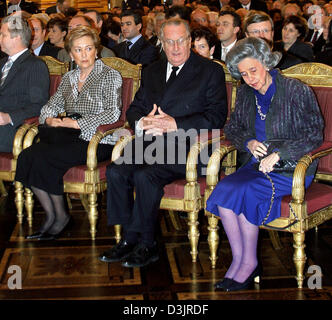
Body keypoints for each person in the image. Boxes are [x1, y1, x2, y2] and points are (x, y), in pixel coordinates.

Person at [99, 18, 228, 268]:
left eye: (181, 41)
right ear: (161, 42)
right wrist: (143, 121)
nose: (176, 47)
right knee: (115, 170)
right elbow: (134, 109)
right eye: (169, 42)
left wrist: (175, 124)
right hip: (153, 144)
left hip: (191, 147)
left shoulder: (210, 71)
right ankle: (128, 237)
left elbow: (216, 117)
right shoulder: (152, 70)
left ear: (189, 41)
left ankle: (147, 244)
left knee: (146, 176)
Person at [206, 37, 324, 292]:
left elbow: (314, 133)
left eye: (254, 70)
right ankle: (241, 260)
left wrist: (280, 153)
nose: (250, 78)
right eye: (244, 73)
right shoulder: (247, 93)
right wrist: (247, 142)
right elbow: (233, 127)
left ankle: (248, 263)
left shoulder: (295, 90)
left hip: (292, 167)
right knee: (224, 192)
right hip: (256, 166)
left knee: (247, 192)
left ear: (266, 63)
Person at [15, 26, 122, 241]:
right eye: (78, 50)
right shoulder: (69, 78)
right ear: (71, 53)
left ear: (96, 50)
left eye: (88, 48)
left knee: (46, 157)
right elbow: (49, 105)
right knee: (27, 156)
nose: (84, 54)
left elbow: (113, 113)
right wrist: (49, 119)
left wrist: (77, 124)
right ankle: (53, 214)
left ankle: (60, 218)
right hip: (68, 138)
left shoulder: (110, 75)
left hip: (98, 140)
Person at [0, 15, 49, 152]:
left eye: (3, 35)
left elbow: (39, 105)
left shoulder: (35, 66)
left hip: (13, 130)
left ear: (17, 38)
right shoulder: (2, 63)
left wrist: (9, 117)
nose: (0, 39)